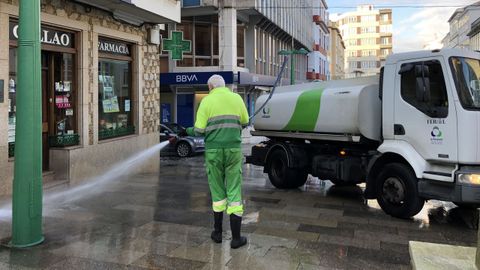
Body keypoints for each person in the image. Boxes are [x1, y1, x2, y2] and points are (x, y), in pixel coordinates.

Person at [186, 74, 249, 249]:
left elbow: (198, 130)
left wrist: (187, 130)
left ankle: (218, 233)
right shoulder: (236, 98)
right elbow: (245, 121)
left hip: (213, 151)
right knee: (234, 189)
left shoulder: (207, 101)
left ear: (210, 87)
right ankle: (236, 238)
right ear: (224, 86)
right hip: (233, 150)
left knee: (217, 190)